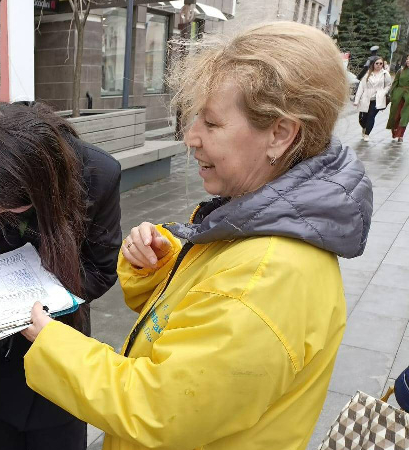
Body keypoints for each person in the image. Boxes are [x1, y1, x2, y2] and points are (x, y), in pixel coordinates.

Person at [20, 22, 373, 450]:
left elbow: (156, 409)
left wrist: (54, 343)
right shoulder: (256, 221)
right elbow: (195, 330)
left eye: (211, 122)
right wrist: (163, 266)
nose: (191, 138)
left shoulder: (265, 279)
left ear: (280, 134)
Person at [0, 102, 122, 450]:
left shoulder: (97, 173)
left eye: (7, 202)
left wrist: (49, 301)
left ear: (47, 188)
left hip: (57, 342)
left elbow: (102, 268)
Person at [354, 56, 391, 141]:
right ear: (373, 64)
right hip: (366, 98)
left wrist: (384, 92)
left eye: (381, 63)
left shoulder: (385, 74)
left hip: (377, 99)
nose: (379, 65)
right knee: (362, 118)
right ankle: (364, 127)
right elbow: (361, 88)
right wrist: (356, 100)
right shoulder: (367, 74)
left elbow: (388, 85)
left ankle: (367, 134)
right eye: (377, 63)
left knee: (371, 116)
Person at [388, 55, 409, 143]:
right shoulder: (400, 71)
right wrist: (392, 95)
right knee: (395, 115)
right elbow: (394, 84)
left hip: (408, 97)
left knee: (404, 117)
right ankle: (395, 131)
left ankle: (400, 135)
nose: (408, 60)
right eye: (407, 59)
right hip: (398, 95)